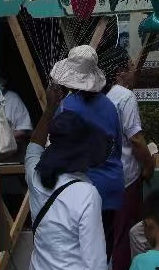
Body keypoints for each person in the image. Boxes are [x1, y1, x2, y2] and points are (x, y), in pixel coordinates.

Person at [23, 86, 115, 270]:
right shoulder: (86, 193)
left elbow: (33, 148)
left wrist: (49, 109)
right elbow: (94, 260)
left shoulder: (35, 178)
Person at [52, 45, 126, 255]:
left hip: (82, 190)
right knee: (104, 253)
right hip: (111, 186)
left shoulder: (66, 107)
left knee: (81, 254)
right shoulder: (110, 106)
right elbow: (118, 147)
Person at [107, 54, 155, 270]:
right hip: (126, 177)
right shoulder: (125, 96)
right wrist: (149, 164)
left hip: (103, 177)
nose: (135, 72)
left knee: (109, 237)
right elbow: (135, 139)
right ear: (120, 72)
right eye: (131, 67)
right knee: (125, 237)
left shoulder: (102, 96)